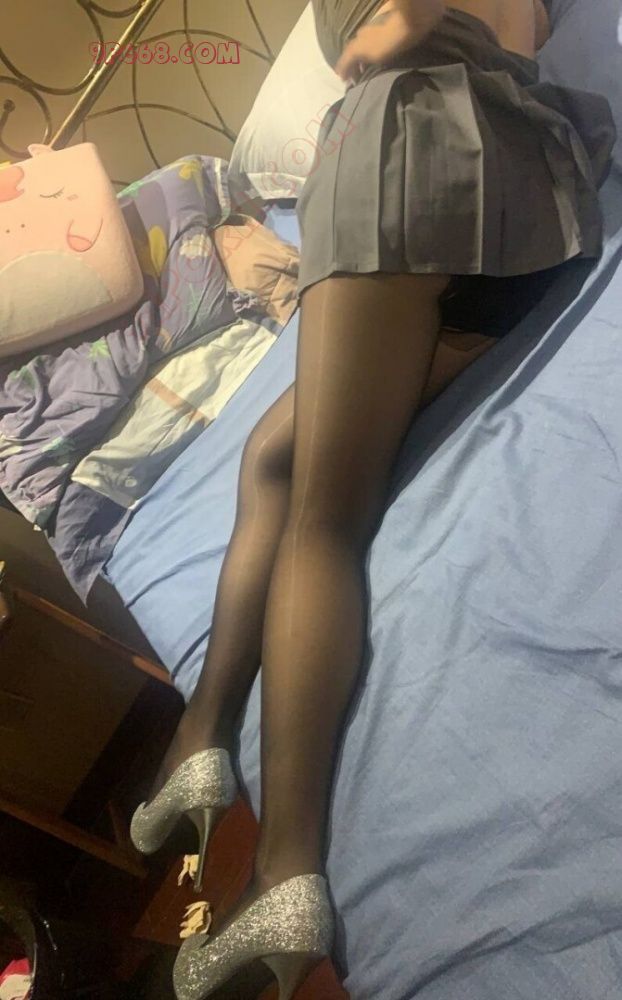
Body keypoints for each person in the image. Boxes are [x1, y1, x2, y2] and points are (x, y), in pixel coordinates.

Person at [130, 3, 616, 998]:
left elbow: (407, 25)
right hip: (529, 196)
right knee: (271, 457)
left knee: (323, 518)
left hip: (408, 155)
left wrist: (371, 45)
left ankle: (283, 871)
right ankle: (201, 740)